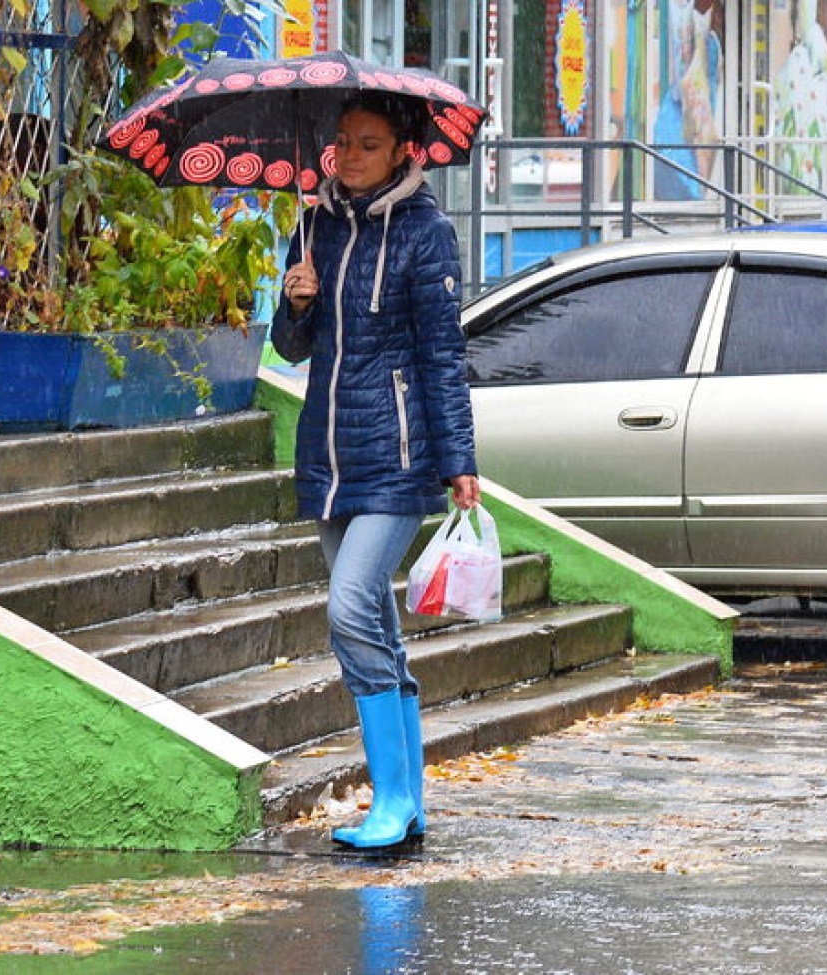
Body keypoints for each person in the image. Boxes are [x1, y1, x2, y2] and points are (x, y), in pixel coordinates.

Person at [271, 91, 480, 849]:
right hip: (329, 457)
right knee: (377, 629)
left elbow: (442, 354)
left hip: (398, 457)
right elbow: (293, 349)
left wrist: (458, 459)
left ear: (402, 152)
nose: (350, 155)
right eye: (343, 142)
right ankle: (407, 800)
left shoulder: (427, 233)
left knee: (352, 606)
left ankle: (389, 799)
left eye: (368, 144)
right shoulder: (314, 225)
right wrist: (295, 302)